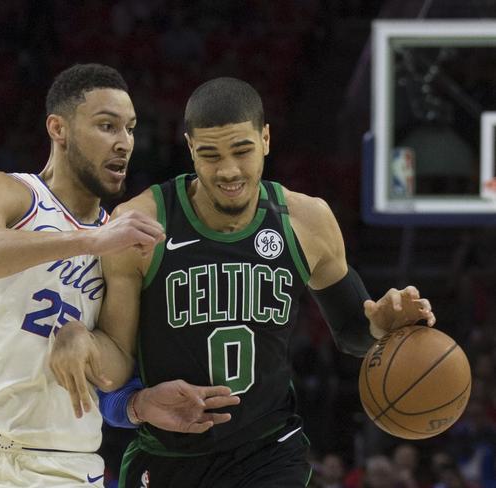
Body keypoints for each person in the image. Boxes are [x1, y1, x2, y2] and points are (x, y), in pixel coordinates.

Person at [53, 77, 437, 488]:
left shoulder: (307, 221)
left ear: (266, 139)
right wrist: (84, 341)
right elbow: (116, 370)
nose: (229, 170)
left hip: (269, 452)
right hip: (168, 455)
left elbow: (354, 335)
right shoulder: (141, 225)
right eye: (210, 155)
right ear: (190, 149)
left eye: (242, 150)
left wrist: (380, 325)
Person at [0, 63, 235, 488]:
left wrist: (85, 340)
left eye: (129, 129)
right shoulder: (7, 192)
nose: (124, 143)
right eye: (107, 126)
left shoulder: (123, 236)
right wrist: (86, 241)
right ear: (59, 128)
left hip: (61, 464)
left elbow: (114, 368)